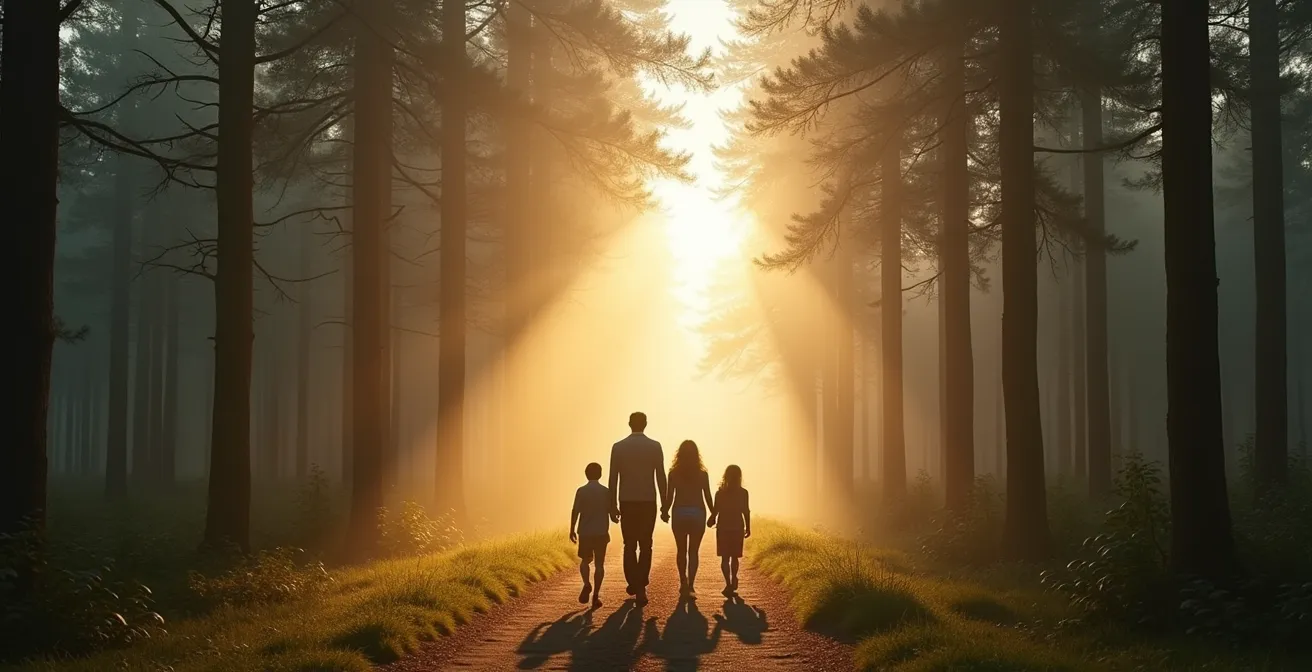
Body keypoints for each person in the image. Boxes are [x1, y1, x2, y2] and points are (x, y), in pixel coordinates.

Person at [608, 411, 668, 606]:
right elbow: (660, 476)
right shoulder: (655, 446)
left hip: (627, 501)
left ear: (629, 424)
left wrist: (611, 505)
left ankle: (633, 581)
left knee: (629, 545)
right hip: (648, 501)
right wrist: (665, 504)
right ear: (645, 424)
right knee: (646, 544)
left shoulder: (618, 447)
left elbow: (613, 478)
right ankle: (640, 584)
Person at [661, 440, 715, 598]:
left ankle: (683, 581)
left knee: (681, 550)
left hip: (679, 513)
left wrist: (664, 511)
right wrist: (714, 514)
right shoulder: (702, 474)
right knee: (693, 551)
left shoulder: (673, 474)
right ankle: (691, 584)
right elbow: (708, 496)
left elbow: (670, 497)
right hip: (698, 513)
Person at [570, 462, 609, 609]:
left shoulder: (581, 491)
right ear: (600, 474)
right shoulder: (606, 492)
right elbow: (611, 511)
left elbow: (575, 511)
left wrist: (572, 529)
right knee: (599, 565)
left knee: (585, 561)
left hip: (585, 531)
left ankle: (587, 584)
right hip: (601, 531)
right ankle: (596, 596)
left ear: (586, 474)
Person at [708, 464, 750, 598]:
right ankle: (733, 578)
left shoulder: (720, 493)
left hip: (723, 528)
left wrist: (711, 519)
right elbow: (746, 511)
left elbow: (716, 511)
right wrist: (748, 527)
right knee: (734, 557)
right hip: (737, 527)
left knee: (725, 558)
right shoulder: (743, 493)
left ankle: (728, 583)